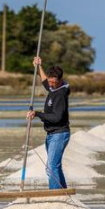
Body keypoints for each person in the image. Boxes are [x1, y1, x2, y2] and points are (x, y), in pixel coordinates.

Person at [27, 56, 70, 190]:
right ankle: (63, 192)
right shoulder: (53, 87)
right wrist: (39, 66)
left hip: (59, 134)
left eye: (53, 83)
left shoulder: (61, 94)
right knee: (55, 166)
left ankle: (55, 195)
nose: (50, 85)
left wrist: (38, 113)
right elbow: (45, 82)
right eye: (50, 82)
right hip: (51, 134)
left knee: (51, 167)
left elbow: (57, 118)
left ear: (60, 80)